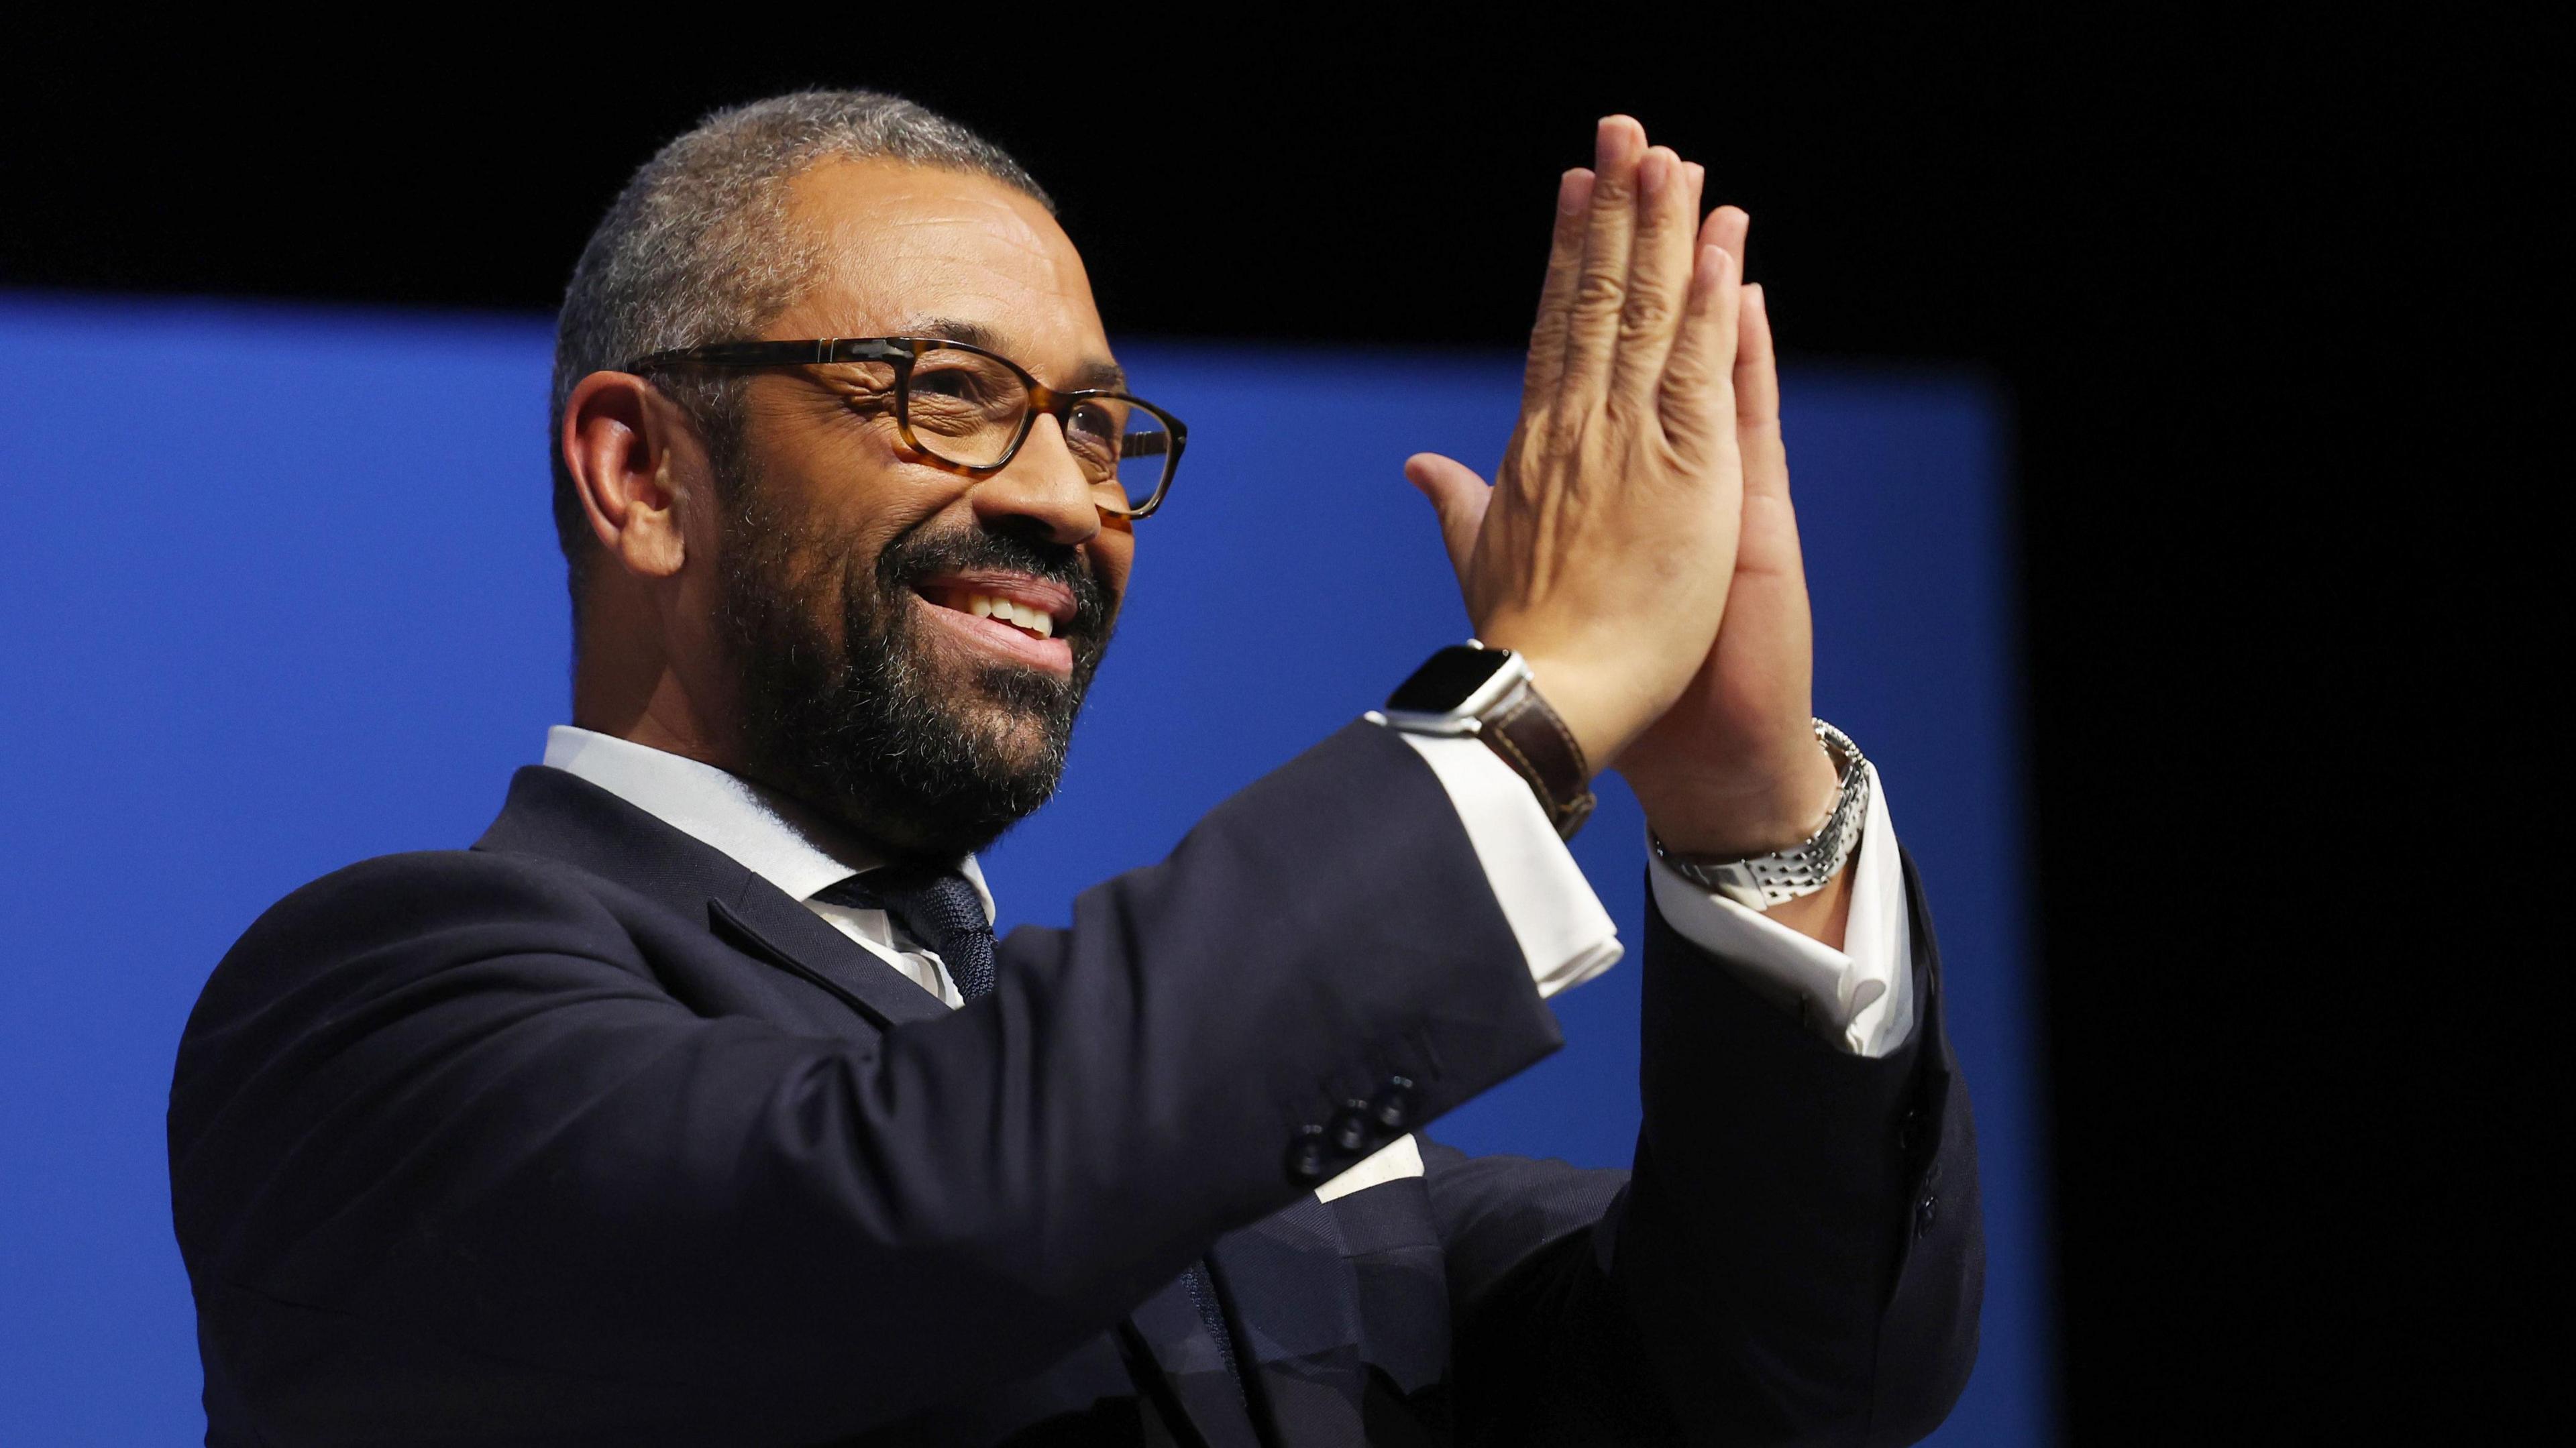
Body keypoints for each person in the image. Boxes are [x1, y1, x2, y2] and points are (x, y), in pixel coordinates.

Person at [168, 91, 1980, 1447]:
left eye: (1099, 428)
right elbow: (906, 1214)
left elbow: (1795, 1378)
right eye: (948, 391)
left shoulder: (1257, 1131)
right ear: (645, 475)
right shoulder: (369, 1023)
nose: (1063, 501)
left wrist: (1747, 806)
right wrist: (1536, 701)